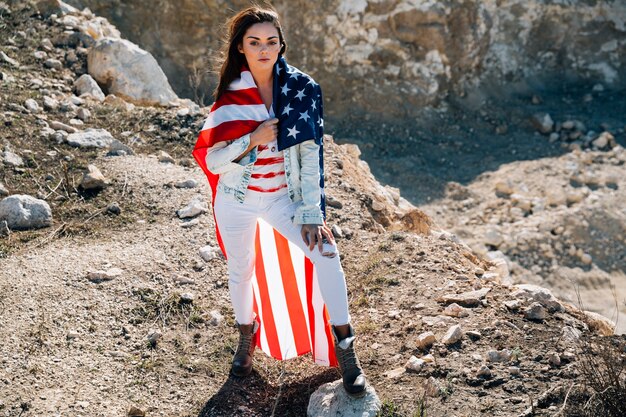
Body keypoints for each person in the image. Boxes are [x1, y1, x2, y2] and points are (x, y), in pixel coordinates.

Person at [192, 6, 367, 397]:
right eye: (254, 42)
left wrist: (311, 213)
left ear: (281, 45)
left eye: (271, 41)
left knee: (326, 254)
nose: (263, 49)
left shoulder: (301, 90)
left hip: (280, 199)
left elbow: (311, 156)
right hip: (235, 199)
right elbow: (215, 161)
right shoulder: (230, 99)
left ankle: (347, 353)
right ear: (241, 48)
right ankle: (245, 340)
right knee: (241, 268)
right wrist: (252, 139)